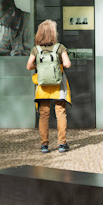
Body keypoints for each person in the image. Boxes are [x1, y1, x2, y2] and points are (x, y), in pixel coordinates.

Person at [26, 20, 72, 153]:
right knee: (61, 113)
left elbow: (29, 66)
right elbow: (67, 64)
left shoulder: (36, 49)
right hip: (58, 85)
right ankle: (62, 144)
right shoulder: (60, 47)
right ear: (53, 33)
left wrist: (39, 66)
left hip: (43, 87)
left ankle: (44, 145)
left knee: (44, 115)